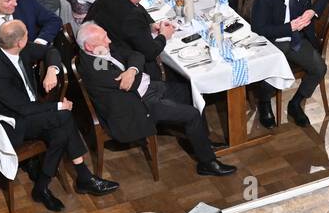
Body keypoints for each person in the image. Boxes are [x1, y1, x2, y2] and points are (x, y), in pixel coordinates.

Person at [0, 19, 118, 211]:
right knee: (64, 116)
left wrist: (52, 70)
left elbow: (51, 50)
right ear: (19, 42)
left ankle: (42, 188)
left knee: (61, 133)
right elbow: (23, 109)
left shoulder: (16, 47)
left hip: (30, 109)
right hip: (12, 122)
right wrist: (59, 106)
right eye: (27, 33)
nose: (30, 35)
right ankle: (83, 177)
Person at [74, 23, 235, 176]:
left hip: (147, 89)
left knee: (188, 90)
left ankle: (199, 141)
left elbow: (135, 54)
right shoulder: (95, 66)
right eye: (103, 39)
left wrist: (131, 69)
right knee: (192, 114)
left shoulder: (100, 50)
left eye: (106, 36)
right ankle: (207, 163)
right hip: (137, 107)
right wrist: (133, 72)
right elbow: (129, 85)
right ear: (89, 46)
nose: (109, 40)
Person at [250, 0, 329, 128]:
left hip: (298, 40)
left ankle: (296, 103)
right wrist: (289, 27)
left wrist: (313, 11)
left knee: (319, 68)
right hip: (274, 43)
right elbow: (259, 29)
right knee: (269, 72)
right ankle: (264, 103)